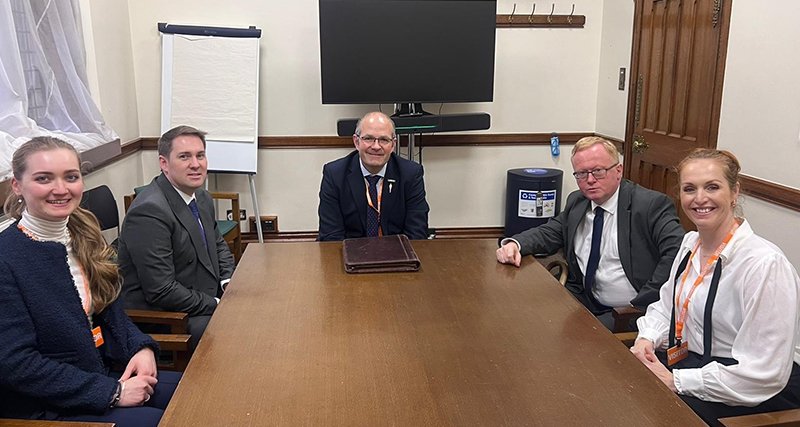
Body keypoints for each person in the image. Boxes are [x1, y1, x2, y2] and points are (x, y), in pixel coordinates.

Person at [0, 137, 180, 426]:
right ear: (17, 185)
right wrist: (113, 392)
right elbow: (15, 364)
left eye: (70, 177)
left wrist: (141, 348)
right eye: (44, 179)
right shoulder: (6, 258)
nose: (61, 189)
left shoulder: (83, 236)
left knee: (196, 393)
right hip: (45, 405)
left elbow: (113, 315)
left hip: (101, 371)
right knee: (164, 421)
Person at [631, 149, 800, 425]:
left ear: (735, 192)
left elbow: (765, 374)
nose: (699, 199)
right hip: (690, 367)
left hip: (747, 394)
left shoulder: (765, 265)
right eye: (689, 189)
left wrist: (676, 381)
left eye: (712, 187)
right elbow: (666, 307)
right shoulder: (689, 245)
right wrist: (647, 339)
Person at [496, 136, 685, 329]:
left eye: (598, 171)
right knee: (523, 319)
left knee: (575, 342)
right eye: (581, 174)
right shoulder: (578, 201)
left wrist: (645, 303)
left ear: (618, 171)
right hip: (583, 298)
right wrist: (515, 244)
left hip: (627, 312)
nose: (590, 180)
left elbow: (677, 253)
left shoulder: (650, 205)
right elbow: (550, 232)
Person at [118, 125, 235, 350]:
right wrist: (217, 304)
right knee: (237, 330)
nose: (195, 164)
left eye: (200, 155)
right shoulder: (149, 212)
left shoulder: (200, 196)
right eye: (184, 157)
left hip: (198, 295)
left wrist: (227, 281)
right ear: (164, 163)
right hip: (166, 317)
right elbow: (162, 291)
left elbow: (218, 244)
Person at [317, 111, 430, 241]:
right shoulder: (334, 174)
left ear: (393, 144)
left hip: (396, 254)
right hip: (350, 253)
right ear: (356, 141)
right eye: (368, 138)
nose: (376, 146)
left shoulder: (410, 174)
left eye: (383, 140)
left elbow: (417, 233)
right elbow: (331, 235)